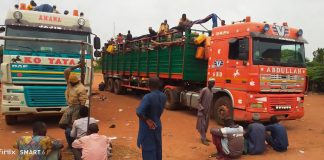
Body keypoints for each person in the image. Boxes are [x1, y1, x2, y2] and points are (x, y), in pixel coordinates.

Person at [136, 77, 167, 160]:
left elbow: (139, 112)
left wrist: (147, 120)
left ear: (149, 85)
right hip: (157, 125)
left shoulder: (148, 97)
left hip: (148, 128)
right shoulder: (164, 96)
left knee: (148, 151)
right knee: (157, 149)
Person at [59, 64, 88, 150]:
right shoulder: (69, 83)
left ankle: (73, 144)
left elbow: (83, 102)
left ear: (74, 82)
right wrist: (78, 66)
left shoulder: (81, 88)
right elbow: (66, 70)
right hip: (71, 107)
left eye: (71, 82)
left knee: (74, 126)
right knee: (62, 124)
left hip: (77, 108)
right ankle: (72, 135)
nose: (69, 83)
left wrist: (81, 114)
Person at [196, 78, 215, 145]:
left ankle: (204, 137)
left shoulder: (211, 91)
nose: (213, 84)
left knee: (206, 125)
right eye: (212, 83)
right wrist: (201, 108)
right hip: (202, 111)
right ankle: (203, 139)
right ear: (208, 83)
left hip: (207, 112)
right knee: (202, 125)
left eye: (214, 83)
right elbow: (198, 100)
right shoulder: (204, 90)